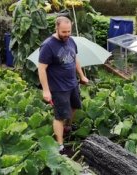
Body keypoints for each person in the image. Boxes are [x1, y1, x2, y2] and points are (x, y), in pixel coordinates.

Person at [38, 16, 89, 153]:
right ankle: (60, 145)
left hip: (72, 83)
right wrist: (46, 91)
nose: (67, 35)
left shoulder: (71, 40)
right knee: (59, 116)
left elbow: (75, 58)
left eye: (69, 31)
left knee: (74, 107)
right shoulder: (48, 45)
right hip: (58, 87)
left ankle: (67, 127)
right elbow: (41, 68)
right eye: (64, 32)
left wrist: (82, 75)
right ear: (56, 28)